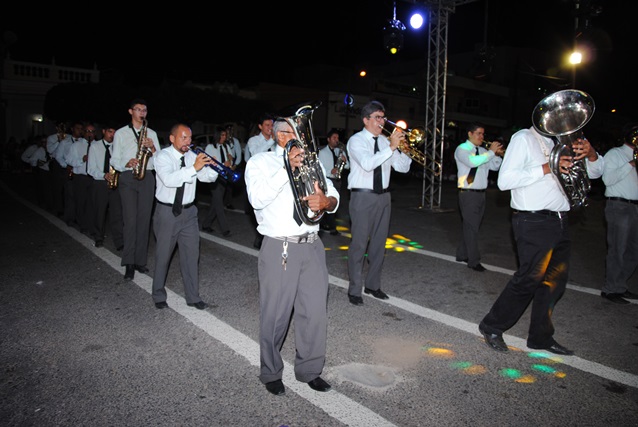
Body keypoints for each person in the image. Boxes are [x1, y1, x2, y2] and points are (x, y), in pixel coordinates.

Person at [478, 119, 603, 356]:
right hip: (533, 220)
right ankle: (492, 326)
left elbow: (595, 173)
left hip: (560, 220)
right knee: (529, 278)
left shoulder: (560, 143)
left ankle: (540, 337)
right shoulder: (523, 138)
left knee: (554, 283)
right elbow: (505, 180)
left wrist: (592, 155)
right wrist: (548, 167)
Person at [244, 117, 339, 396]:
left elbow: (333, 197)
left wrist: (326, 202)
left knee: (314, 312)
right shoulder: (260, 163)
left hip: (312, 244)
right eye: (292, 131)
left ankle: (310, 370)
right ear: (279, 136)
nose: (298, 136)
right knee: (276, 314)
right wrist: (287, 167)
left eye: (300, 131)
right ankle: (271, 371)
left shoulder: (313, 163)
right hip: (280, 246)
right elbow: (257, 199)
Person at [346, 100, 412, 306]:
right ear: (365, 120)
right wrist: (391, 147)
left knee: (379, 244)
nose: (382, 122)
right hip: (362, 196)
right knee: (359, 245)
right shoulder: (356, 141)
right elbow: (367, 164)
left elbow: (402, 168)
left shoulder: (384, 142)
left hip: (384, 196)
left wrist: (405, 150)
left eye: (383, 117)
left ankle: (373, 285)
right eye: (377, 118)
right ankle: (354, 289)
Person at [151, 123, 218, 310]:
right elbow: (169, 180)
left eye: (189, 138)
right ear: (172, 138)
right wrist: (194, 168)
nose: (188, 141)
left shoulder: (192, 156)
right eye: (183, 137)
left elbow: (207, 178)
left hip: (189, 212)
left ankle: (193, 296)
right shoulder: (162, 157)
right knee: (163, 255)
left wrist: (213, 167)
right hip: (167, 212)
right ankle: (158, 294)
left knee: (191, 255)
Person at [110, 99, 161, 280]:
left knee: (144, 221)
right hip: (128, 177)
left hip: (147, 177)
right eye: (138, 109)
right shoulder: (121, 133)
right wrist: (126, 163)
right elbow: (114, 159)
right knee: (130, 220)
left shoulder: (152, 133)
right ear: (131, 111)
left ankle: (140, 261)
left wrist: (152, 147)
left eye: (144, 110)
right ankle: (129, 262)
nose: (142, 113)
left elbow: (159, 161)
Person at [454, 122, 503, 272]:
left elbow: (495, 167)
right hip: (468, 193)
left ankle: (462, 254)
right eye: (479, 133)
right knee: (472, 228)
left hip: (481, 194)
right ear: (470, 134)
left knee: (471, 226)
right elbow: (472, 162)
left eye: (483, 134)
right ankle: (473, 261)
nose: (482, 137)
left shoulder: (483, 151)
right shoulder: (462, 149)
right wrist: (490, 153)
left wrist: (497, 155)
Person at [599, 124, 638, 304]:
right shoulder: (615, 154)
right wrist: (631, 164)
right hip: (619, 206)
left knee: (634, 250)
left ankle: (620, 285)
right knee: (618, 248)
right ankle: (610, 289)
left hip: (635, 207)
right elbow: (607, 180)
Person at [87, 123, 124, 250]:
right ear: (103, 131)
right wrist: (104, 175)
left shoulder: (118, 148)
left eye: (114, 132)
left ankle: (119, 241)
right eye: (110, 131)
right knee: (99, 212)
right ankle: (98, 237)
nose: (112, 135)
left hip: (115, 183)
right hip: (100, 183)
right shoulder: (95, 146)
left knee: (117, 213)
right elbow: (90, 169)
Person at [244, 114, 275, 248]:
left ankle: (267, 238)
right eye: (267, 125)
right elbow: (256, 154)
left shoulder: (276, 141)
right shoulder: (254, 140)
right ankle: (260, 238)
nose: (270, 128)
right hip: (260, 179)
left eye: (272, 125)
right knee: (261, 210)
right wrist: (271, 141)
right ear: (260, 126)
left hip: (273, 179)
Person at [202, 126, 232, 237]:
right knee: (219, 204)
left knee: (216, 203)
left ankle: (206, 224)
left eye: (225, 135)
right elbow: (208, 163)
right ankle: (225, 229)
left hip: (223, 177)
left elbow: (229, 160)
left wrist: (230, 161)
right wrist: (223, 164)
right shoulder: (210, 147)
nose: (224, 137)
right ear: (217, 135)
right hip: (213, 177)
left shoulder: (226, 146)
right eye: (222, 135)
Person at [318, 128, 348, 235]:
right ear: (328, 139)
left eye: (338, 138)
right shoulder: (322, 152)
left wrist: (345, 161)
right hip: (328, 179)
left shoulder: (340, 151)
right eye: (334, 137)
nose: (337, 140)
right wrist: (330, 171)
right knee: (326, 203)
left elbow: (348, 166)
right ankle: (328, 226)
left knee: (335, 203)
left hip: (337, 180)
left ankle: (330, 225)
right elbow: (319, 168)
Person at [66, 122, 94, 234]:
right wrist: (81, 160)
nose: (90, 134)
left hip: (93, 178)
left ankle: (91, 224)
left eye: (92, 131)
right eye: (87, 131)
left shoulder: (97, 145)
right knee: (81, 202)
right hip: (81, 177)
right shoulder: (76, 145)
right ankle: (83, 224)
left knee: (92, 203)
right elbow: (69, 160)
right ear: (83, 132)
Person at [224, 123, 243, 210]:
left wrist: (235, 165)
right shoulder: (223, 140)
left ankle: (228, 202)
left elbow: (238, 154)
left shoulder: (235, 141)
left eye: (231, 130)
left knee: (229, 185)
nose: (229, 132)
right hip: (224, 162)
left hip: (232, 163)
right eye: (228, 130)